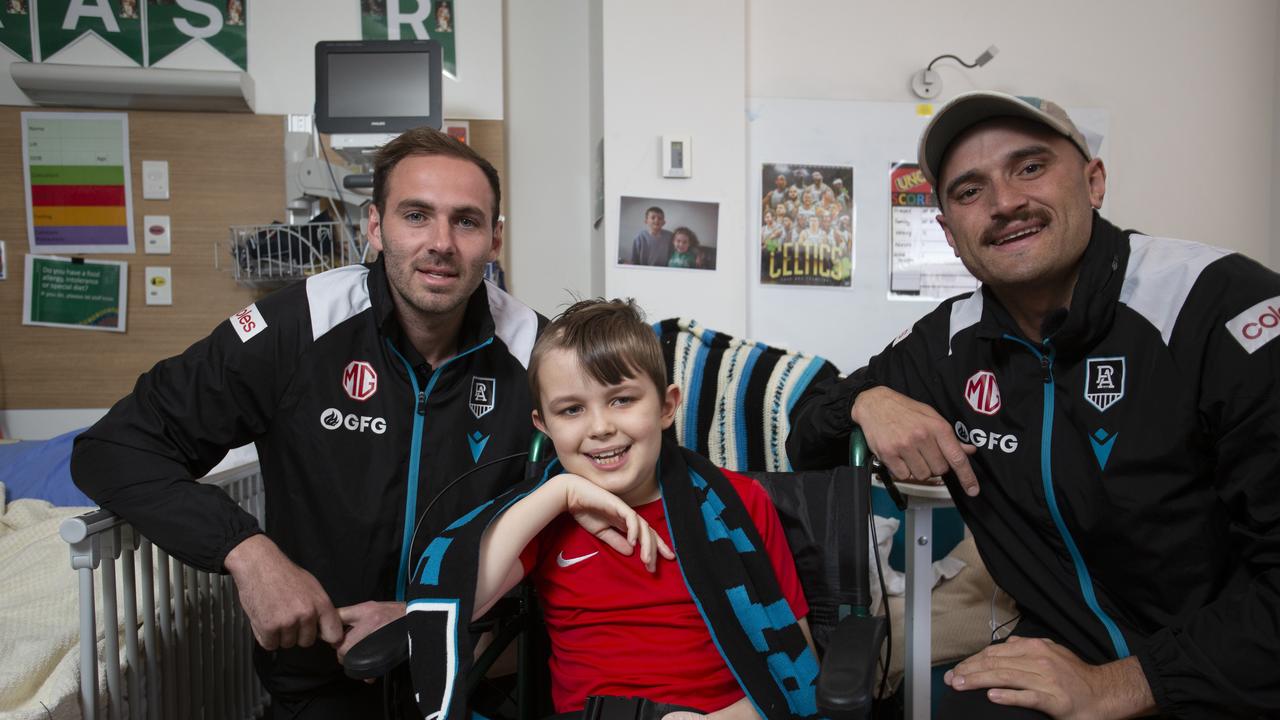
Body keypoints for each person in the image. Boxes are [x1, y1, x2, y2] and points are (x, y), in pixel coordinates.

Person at [786, 91, 1280, 719]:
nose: (1004, 203)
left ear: (1094, 182)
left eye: (1030, 167)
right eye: (969, 191)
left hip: (1230, 676)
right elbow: (807, 435)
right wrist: (867, 400)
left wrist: (1121, 686)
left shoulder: (1217, 306)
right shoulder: (947, 342)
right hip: (1062, 652)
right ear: (948, 232)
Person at [72, 127, 545, 717]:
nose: (441, 242)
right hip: (323, 684)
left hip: (482, 675)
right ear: (375, 227)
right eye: (416, 215)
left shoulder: (540, 354)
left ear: (495, 238)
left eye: (467, 221)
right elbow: (115, 446)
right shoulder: (300, 327)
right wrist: (247, 550)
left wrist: (427, 625)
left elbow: (610, 521)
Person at [403, 298, 819, 720]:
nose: (601, 427)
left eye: (621, 400)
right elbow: (458, 600)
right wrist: (560, 493)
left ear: (666, 406)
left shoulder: (740, 503)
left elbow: (794, 664)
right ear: (544, 426)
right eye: (571, 410)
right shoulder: (546, 518)